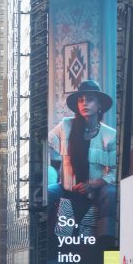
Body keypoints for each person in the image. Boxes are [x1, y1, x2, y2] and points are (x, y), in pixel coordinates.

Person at [48, 79, 117, 245]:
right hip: (66, 187)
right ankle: (47, 241)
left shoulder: (110, 135)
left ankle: (105, 241)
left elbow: (116, 172)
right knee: (49, 192)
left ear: (99, 105)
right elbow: (46, 142)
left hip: (95, 189)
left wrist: (93, 184)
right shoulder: (65, 125)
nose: (84, 103)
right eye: (81, 100)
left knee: (111, 192)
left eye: (90, 99)